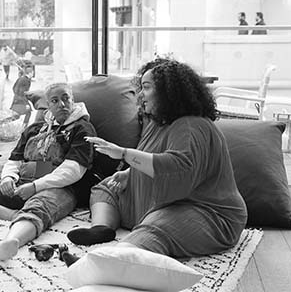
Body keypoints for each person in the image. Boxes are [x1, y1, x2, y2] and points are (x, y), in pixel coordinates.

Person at [67, 58, 247, 258]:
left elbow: (178, 168)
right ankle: (101, 228)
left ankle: (107, 260)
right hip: (163, 201)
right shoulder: (158, 122)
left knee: (155, 227)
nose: (140, 95)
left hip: (205, 211)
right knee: (107, 187)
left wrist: (124, 153)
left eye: (146, 87)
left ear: (168, 92)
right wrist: (129, 173)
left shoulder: (191, 126)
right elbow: (155, 157)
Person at [0, 82, 98, 261]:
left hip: (60, 188)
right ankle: (12, 215)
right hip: (22, 184)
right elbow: (15, 159)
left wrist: (35, 187)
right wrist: (8, 178)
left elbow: (73, 170)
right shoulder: (34, 129)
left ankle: (10, 242)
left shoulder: (82, 129)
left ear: (73, 100)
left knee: (38, 207)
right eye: (55, 100)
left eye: (66, 98)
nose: (62, 104)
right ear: (48, 105)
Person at [9, 63, 35, 128]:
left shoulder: (22, 78)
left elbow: (14, 88)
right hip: (20, 101)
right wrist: (26, 103)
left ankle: (0, 122)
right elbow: (22, 92)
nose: (33, 74)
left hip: (17, 100)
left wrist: (16, 95)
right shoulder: (25, 80)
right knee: (28, 112)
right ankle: (24, 128)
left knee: (16, 116)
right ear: (30, 73)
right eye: (32, 73)